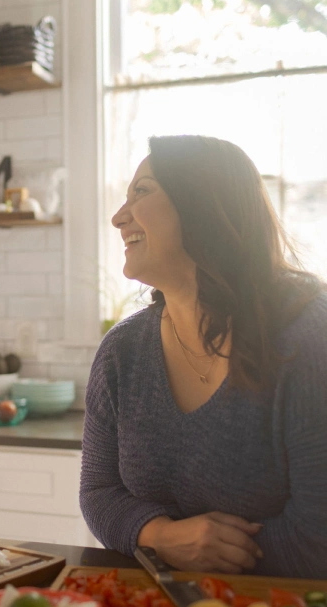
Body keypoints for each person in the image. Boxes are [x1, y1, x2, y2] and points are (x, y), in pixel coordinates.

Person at [80, 135, 327, 579]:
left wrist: (205, 558)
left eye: (142, 191)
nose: (119, 217)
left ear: (206, 206)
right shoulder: (123, 350)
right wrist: (163, 537)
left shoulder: (309, 337)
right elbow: (99, 493)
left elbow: (318, 537)